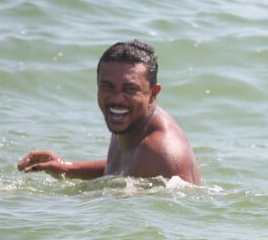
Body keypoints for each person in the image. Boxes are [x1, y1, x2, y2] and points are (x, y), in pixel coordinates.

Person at [17, 40, 201, 185]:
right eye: (107, 87)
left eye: (130, 89)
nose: (117, 99)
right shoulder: (130, 122)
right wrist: (68, 168)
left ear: (153, 94)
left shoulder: (160, 150)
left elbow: (181, 214)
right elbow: (125, 170)